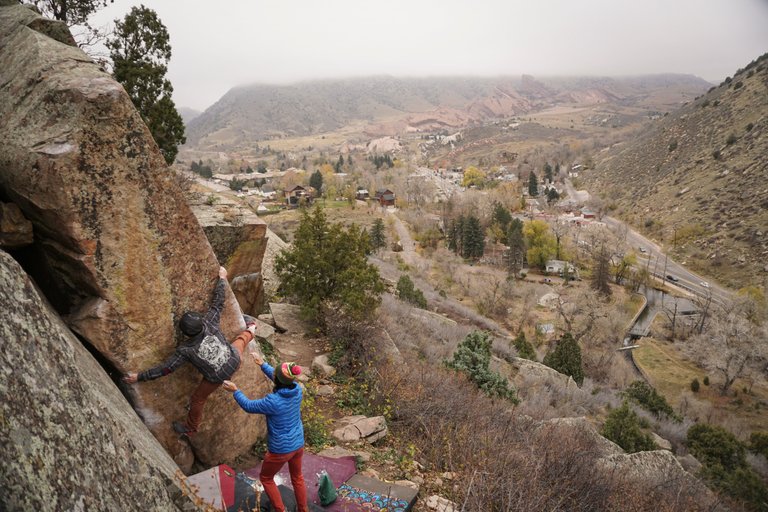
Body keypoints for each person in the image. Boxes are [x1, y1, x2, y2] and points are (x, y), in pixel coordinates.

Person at [124, 266, 256, 436]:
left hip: (218, 378)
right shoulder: (210, 323)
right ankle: (252, 328)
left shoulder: (186, 350)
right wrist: (222, 278)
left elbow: (166, 368)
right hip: (234, 359)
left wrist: (139, 376)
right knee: (241, 340)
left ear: (185, 333)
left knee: (197, 399)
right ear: (201, 323)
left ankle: (191, 429)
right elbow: (218, 303)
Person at [223, 357, 307, 512]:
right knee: (297, 477)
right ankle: (303, 509)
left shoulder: (273, 402)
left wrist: (236, 391)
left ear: (277, 379)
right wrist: (262, 364)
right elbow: (280, 379)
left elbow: (248, 405)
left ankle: (280, 510)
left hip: (281, 449)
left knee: (266, 478)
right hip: (298, 443)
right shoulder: (297, 390)